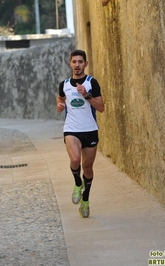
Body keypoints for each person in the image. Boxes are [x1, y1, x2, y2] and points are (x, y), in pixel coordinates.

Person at [56, 49, 105, 218]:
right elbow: (60, 98)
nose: (77, 65)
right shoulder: (64, 84)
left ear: (86, 63)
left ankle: (85, 200)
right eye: (74, 62)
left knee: (87, 167)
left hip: (90, 130)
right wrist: (60, 105)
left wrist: (86, 94)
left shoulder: (92, 82)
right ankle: (77, 183)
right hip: (71, 129)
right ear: (70, 63)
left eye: (80, 62)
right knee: (75, 159)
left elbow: (101, 107)